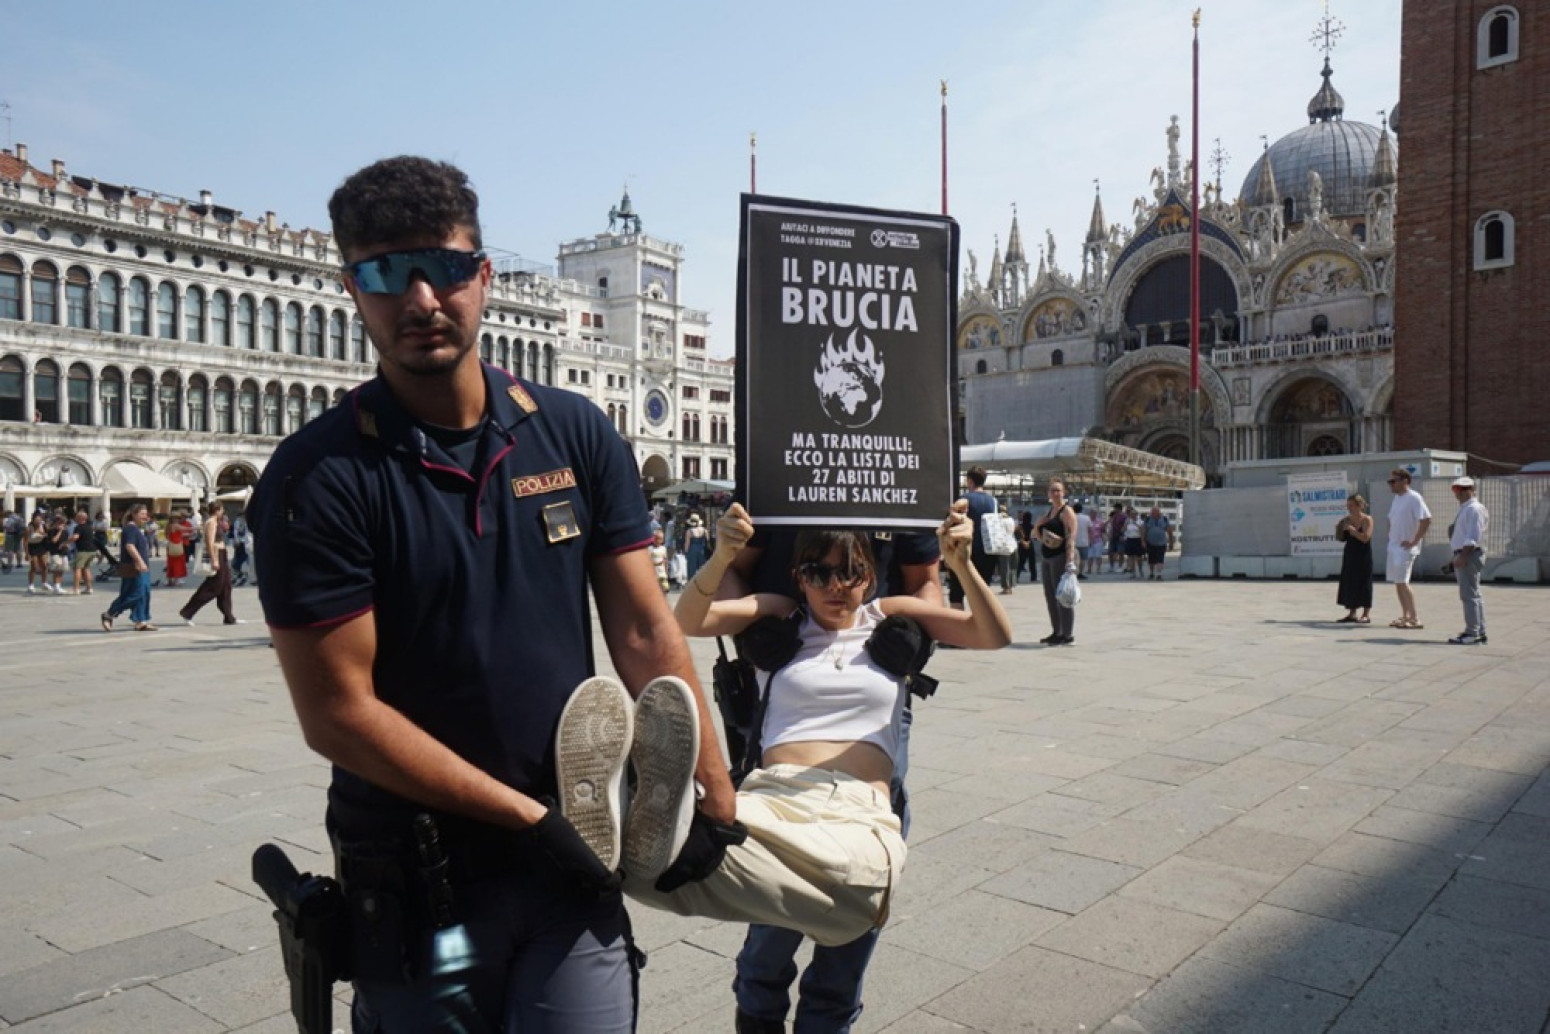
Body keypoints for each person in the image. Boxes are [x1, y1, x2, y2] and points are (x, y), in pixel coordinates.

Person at [248, 155, 736, 1033]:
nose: (420, 299)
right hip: (421, 874)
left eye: (443, 268)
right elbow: (338, 714)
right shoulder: (316, 478)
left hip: (574, 857)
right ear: (352, 288)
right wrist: (528, 816)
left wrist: (713, 784)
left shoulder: (575, 431)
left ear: (483, 276)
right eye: (386, 274)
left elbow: (638, 624)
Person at [623, 503, 1010, 958]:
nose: (835, 585)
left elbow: (993, 634)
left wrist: (961, 565)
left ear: (868, 576)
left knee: (855, 880)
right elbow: (688, 621)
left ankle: (659, 822)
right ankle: (630, 821)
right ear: (798, 577)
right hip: (773, 801)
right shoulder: (781, 617)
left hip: (856, 811)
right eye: (818, 572)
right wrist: (723, 554)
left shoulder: (886, 616)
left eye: (849, 572)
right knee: (651, 872)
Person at [716, 519, 941, 1034]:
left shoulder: (899, 471)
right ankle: (758, 1000)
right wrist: (747, 632)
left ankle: (830, 1010)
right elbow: (736, 571)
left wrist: (918, 638)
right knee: (775, 873)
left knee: (866, 852)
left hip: (873, 671)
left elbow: (924, 577)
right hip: (785, 670)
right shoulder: (773, 470)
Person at [178, 501, 241, 626]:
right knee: (213, 586)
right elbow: (209, 542)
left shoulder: (215, 522)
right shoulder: (211, 523)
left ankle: (229, 616)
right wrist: (214, 559)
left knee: (226, 586)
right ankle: (187, 612)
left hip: (222, 553)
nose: (223, 512)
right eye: (221, 510)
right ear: (217, 510)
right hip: (217, 554)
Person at [1385, 468, 1432, 629]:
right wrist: (1390, 537)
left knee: (1404, 582)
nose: (1390, 484)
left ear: (1405, 481)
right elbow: (1390, 519)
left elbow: (1426, 519)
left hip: (1405, 548)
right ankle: (1405, 616)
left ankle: (1415, 618)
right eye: (1389, 481)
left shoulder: (1414, 498)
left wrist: (1414, 540)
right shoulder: (1397, 499)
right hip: (1394, 546)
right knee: (1398, 582)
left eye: (1393, 481)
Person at [1035, 479, 1080, 645]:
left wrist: (1070, 561)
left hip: (1060, 558)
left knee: (1063, 596)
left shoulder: (1066, 511)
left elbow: (1071, 536)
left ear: (1064, 493)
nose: (1055, 493)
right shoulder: (1050, 511)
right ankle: (1056, 631)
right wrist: (1037, 526)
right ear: (1048, 494)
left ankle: (1067, 634)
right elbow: (1038, 535)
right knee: (1050, 596)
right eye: (1052, 490)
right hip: (1047, 558)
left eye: (1058, 490)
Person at [1447, 477, 1489, 645]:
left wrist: (1463, 556)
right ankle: (1479, 630)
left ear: (1471, 490)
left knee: (1469, 595)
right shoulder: (1467, 508)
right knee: (1474, 594)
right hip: (1466, 553)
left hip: (1469, 554)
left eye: (1462, 489)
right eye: (1456, 489)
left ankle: (1472, 632)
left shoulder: (1473, 509)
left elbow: (1472, 536)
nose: (1458, 493)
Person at [101, 504, 155, 631]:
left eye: (146, 514)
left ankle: (140, 621)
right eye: (142, 514)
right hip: (134, 567)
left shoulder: (136, 529)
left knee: (144, 593)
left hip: (141, 567)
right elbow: (129, 546)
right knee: (136, 593)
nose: (145, 516)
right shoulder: (130, 529)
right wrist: (140, 562)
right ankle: (109, 614)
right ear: (134, 514)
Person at [951, 465, 998, 609]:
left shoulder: (964, 499)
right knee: (981, 594)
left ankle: (960, 629)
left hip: (966, 552)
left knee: (956, 594)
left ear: (969, 481)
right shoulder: (993, 501)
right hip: (988, 553)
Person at [1334, 494, 1374, 624]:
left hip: (1363, 554)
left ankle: (1366, 614)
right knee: (1350, 581)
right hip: (1350, 553)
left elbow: (1365, 538)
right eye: (1347, 506)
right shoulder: (1347, 520)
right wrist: (1339, 530)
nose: (1349, 508)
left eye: (1351, 505)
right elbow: (1342, 538)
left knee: (1364, 581)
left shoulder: (1367, 519)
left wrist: (1353, 531)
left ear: (1358, 506)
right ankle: (1352, 612)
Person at [69, 509, 98, 595]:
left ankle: (76, 589)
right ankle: (89, 588)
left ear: (80, 518)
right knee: (86, 568)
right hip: (92, 550)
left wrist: (66, 542)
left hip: (83, 551)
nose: (75, 518)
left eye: (77, 517)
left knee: (77, 568)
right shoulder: (89, 527)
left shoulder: (78, 527)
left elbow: (75, 537)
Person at [1142, 506, 1172, 580]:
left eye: (1155, 512)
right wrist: (1142, 541)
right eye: (1152, 512)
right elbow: (1144, 531)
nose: (1153, 514)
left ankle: (1159, 574)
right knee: (1151, 559)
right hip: (1150, 542)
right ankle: (1151, 573)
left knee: (1160, 559)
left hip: (1162, 542)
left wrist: (1171, 542)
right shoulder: (1148, 519)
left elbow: (1170, 531)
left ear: (1159, 512)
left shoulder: (1164, 519)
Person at [994, 505, 1017, 594]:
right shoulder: (1011, 520)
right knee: (1011, 567)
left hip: (1004, 546)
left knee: (1004, 568)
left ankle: (1006, 587)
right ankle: (1010, 586)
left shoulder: (998, 521)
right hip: (1013, 544)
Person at [162, 512, 189, 587]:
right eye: (176, 518)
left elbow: (168, 535)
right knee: (178, 563)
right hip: (177, 546)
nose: (177, 519)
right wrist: (199, 528)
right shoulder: (175, 525)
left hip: (170, 545)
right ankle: (176, 580)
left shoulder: (168, 525)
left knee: (170, 563)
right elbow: (186, 529)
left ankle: (170, 580)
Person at [685, 512, 711, 580]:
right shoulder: (705, 530)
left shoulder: (689, 531)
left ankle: (692, 584)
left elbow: (687, 543)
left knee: (692, 568)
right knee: (702, 567)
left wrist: (686, 552)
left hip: (692, 549)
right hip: (702, 549)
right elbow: (707, 541)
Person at [1123, 506, 1145, 577]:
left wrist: (1142, 541)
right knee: (1131, 557)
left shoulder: (1140, 521)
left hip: (1137, 539)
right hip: (1130, 539)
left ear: (1137, 514)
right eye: (1131, 514)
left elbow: (1142, 531)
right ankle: (1133, 572)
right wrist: (1125, 525)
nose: (1133, 515)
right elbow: (1123, 530)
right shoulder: (1128, 521)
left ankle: (1140, 569)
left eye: (1134, 514)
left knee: (1139, 557)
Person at [1106, 503, 1126, 573]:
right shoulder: (1114, 516)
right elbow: (1111, 525)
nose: (1114, 509)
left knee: (1120, 552)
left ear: (1118, 508)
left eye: (1115, 508)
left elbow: (1125, 526)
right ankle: (1112, 566)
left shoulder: (1123, 516)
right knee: (1110, 552)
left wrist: (1122, 535)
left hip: (1120, 536)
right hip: (1113, 535)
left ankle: (1121, 566)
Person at [1015, 510, 1034, 584]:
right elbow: (1034, 536)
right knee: (1032, 562)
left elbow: (1018, 536)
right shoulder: (1032, 526)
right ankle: (1033, 577)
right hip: (1030, 545)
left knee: (1020, 562)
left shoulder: (1020, 527)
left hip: (1021, 545)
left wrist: (1023, 542)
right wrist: (1028, 542)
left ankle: (1016, 577)